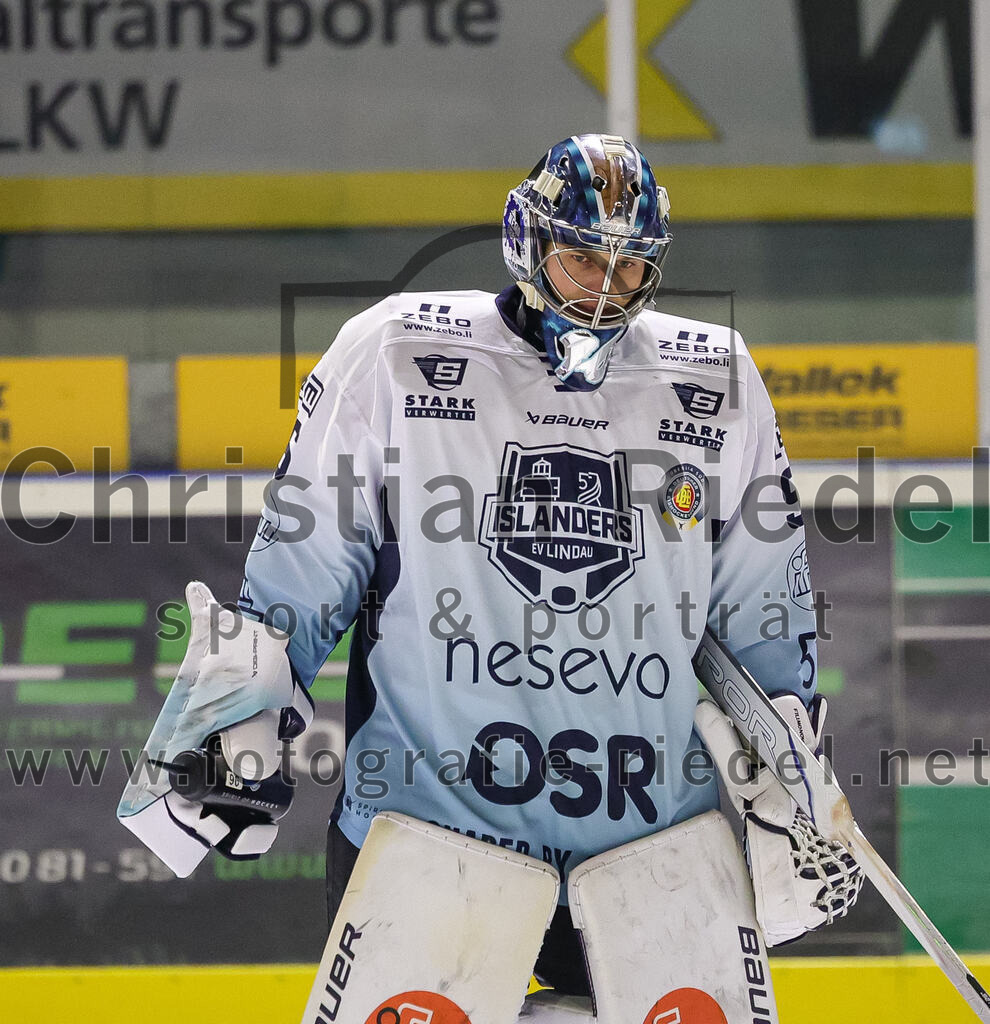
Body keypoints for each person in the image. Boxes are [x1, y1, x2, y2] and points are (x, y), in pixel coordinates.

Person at [118, 134, 859, 996]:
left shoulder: (716, 377)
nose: (604, 290)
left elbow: (765, 601)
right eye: (584, 257)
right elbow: (304, 565)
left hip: (649, 843)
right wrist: (242, 716)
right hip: (428, 832)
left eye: (630, 268)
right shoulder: (395, 351)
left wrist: (786, 770)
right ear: (527, 238)